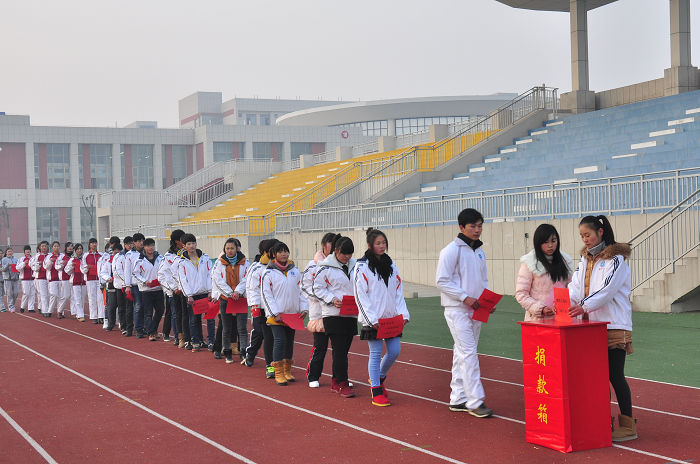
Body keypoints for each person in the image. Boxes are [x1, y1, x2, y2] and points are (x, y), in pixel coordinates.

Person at [568, 215, 637, 442]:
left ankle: (628, 424)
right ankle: (601, 420)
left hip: (614, 325)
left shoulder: (616, 260)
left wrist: (583, 306)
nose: (585, 239)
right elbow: (575, 287)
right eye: (582, 236)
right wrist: (562, 305)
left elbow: (607, 291)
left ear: (600, 232)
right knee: (596, 377)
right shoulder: (585, 260)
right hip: (590, 326)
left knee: (615, 375)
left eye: (587, 235)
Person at [435, 208, 493, 418]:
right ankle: (475, 401)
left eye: (480, 226)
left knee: (462, 352)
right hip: (456, 309)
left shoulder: (479, 251)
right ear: (461, 227)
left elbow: (483, 281)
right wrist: (464, 297)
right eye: (473, 226)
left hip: (476, 309)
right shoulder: (451, 250)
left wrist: (486, 302)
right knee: (468, 352)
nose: (477, 230)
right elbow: (441, 280)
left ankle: (458, 398)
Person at [353, 228, 409, 407]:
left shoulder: (391, 265)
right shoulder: (361, 267)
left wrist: (403, 314)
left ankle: (379, 377)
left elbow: (398, 291)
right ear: (370, 245)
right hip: (374, 320)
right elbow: (360, 295)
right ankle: (376, 390)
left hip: (391, 318)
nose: (382, 246)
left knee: (394, 351)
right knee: (375, 354)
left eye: (383, 242)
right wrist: (371, 320)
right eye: (378, 243)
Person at [312, 236, 357, 397]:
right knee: (339, 350)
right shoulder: (325, 268)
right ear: (336, 251)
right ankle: (342, 383)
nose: (347, 257)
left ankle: (335, 380)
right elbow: (317, 288)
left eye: (350, 254)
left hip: (351, 313)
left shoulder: (356, 266)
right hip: (333, 314)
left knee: (344, 351)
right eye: (344, 254)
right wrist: (332, 299)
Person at [261, 241, 308, 386]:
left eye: (286, 251)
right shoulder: (268, 272)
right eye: (280, 252)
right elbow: (266, 295)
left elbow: (301, 291)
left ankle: (287, 371)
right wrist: (274, 313)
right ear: (274, 254)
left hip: (292, 315)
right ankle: (278, 373)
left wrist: (304, 308)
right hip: (277, 316)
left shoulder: (295, 271)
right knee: (280, 341)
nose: (284, 254)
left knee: (289, 343)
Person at [302, 233, 340, 388]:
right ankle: (313, 375)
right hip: (319, 312)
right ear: (324, 245)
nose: (335, 248)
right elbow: (305, 287)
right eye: (332, 245)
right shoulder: (313, 265)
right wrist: (324, 297)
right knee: (320, 346)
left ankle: (340, 378)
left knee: (339, 349)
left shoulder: (342, 265)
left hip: (338, 312)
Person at [515, 224, 574, 321]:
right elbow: (521, 294)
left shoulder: (565, 261)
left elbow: (572, 289)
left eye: (553, 241)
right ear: (538, 243)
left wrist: (564, 304)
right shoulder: (530, 263)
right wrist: (540, 308)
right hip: (537, 320)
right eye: (546, 242)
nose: (550, 245)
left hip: (561, 318)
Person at [242, 239, 277, 377]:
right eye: (274, 250)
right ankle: (258, 358)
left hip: (276, 307)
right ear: (265, 252)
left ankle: (276, 362)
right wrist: (255, 308)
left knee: (271, 335)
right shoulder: (257, 268)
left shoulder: (280, 266)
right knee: (263, 333)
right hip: (262, 308)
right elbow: (252, 289)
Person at [211, 238, 248, 362]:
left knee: (242, 328)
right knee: (226, 328)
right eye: (227, 248)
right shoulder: (219, 262)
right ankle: (226, 351)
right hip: (226, 299)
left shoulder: (245, 262)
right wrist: (230, 293)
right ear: (224, 249)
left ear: (237, 248)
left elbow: (247, 278)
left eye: (232, 248)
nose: (230, 250)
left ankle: (244, 351)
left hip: (240, 299)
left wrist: (238, 291)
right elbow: (217, 279)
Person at [176, 234, 212, 352]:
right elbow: (182, 280)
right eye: (189, 244)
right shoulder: (182, 261)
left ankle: (211, 341)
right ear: (184, 246)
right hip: (193, 295)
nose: (192, 246)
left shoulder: (205, 258)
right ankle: (195, 342)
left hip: (206, 293)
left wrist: (211, 290)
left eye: (193, 243)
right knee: (193, 319)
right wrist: (189, 295)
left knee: (210, 318)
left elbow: (210, 274)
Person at [133, 238, 165, 341]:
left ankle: (153, 329)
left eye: (152, 245)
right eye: (148, 246)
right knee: (148, 313)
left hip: (158, 288)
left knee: (160, 310)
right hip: (146, 290)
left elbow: (165, 270)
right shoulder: (139, 260)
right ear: (144, 247)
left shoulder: (160, 258)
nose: (150, 248)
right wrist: (144, 281)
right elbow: (135, 273)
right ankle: (151, 333)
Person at [159, 229, 185, 345]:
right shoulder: (168, 256)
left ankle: (186, 336)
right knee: (175, 314)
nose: (184, 241)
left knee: (184, 314)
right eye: (181, 239)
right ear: (176, 241)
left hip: (185, 290)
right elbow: (164, 275)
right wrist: (172, 288)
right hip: (173, 291)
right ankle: (177, 336)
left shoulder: (186, 253)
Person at [126, 233, 146, 336]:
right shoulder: (129, 255)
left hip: (147, 285)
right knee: (138, 306)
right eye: (138, 241)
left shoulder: (147, 252)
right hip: (135, 284)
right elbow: (127, 271)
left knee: (146, 307)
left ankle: (146, 327)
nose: (141, 243)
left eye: (142, 241)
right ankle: (138, 329)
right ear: (134, 243)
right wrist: (127, 286)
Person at [114, 237, 134, 336]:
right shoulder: (119, 256)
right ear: (124, 245)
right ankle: (124, 326)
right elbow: (118, 271)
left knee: (131, 306)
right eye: (128, 244)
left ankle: (131, 325)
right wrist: (126, 281)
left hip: (132, 285)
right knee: (122, 307)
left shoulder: (135, 255)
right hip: (120, 285)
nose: (130, 246)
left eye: (131, 243)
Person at [81, 238, 103, 324]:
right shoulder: (86, 255)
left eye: (95, 243)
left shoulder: (101, 255)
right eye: (92, 243)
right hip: (90, 279)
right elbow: (83, 268)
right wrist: (87, 268)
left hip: (100, 279)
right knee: (92, 297)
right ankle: (94, 316)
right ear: (89, 245)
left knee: (100, 298)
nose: (94, 244)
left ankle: (101, 316)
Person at [102, 243, 122, 330]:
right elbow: (103, 273)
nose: (116, 254)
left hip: (121, 286)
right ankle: (111, 323)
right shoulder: (108, 262)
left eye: (118, 252)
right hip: (111, 287)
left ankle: (122, 323)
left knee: (122, 306)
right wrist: (108, 278)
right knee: (111, 305)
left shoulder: (122, 260)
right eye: (114, 252)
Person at [65, 244, 87, 322]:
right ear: (75, 250)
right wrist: (72, 266)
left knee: (82, 298)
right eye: (77, 249)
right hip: (75, 281)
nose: (79, 250)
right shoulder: (72, 260)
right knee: (77, 298)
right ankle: (80, 315)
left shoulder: (84, 259)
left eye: (81, 249)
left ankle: (80, 313)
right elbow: (67, 271)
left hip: (84, 281)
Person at [54, 242, 74, 319]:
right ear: (65, 247)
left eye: (71, 246)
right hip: (64, 278)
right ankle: (60, 311)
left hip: (73, 279)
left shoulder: (74, 257)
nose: (70, 248)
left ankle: (74, 312)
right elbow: (57, 267)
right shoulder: (61, 257)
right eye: (68, 246)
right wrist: (62, 264)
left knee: (73, 297)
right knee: (65, 296)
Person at [43, 241, 62, 317]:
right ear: (52, 247)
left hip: (61, 279)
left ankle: (60, 312)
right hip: (52, 279)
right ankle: (50, 310)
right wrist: (51, 261)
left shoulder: (62, 256)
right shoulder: (48, 257)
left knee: (60, 296)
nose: (56, 247)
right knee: (53, 295)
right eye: (54, 246)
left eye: (57, 246)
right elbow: (46, 267)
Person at [30, 242, 49, 314]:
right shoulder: (37, 256)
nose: (44, 247)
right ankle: (45, 310)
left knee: (50, 294)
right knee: (43, 294)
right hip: (40, 277)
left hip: (49, 277)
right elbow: (34, 267)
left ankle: (47, 309)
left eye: (45, 246)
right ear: (40, 248)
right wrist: (39, 264)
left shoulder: (50, 256)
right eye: (42, 246)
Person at [15, 245, 35, 313]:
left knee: (32, 293)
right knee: (26, 293)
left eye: (29, 250)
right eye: (26, 250)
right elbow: (17, 268)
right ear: (24, 252)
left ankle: (31, 308)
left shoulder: (33, 258)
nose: (28, 251)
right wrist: (24, 263)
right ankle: (22, 307)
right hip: (25, 279)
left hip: (33, 278)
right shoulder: (21, 259)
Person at [1, 248, 20, 312]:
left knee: (16, 293)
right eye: (8, 251)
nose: (10, 252)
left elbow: (18, 267)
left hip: (15, 278)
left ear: (13, 252)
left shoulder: (16, 259)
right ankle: (11, 306)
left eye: (11, 251)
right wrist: (8, 265)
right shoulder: (4, 259)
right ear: (6, 253)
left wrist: (18, 271)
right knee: (9, 293)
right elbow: (2, 269)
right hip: (7, 278)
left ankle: (12, 305)